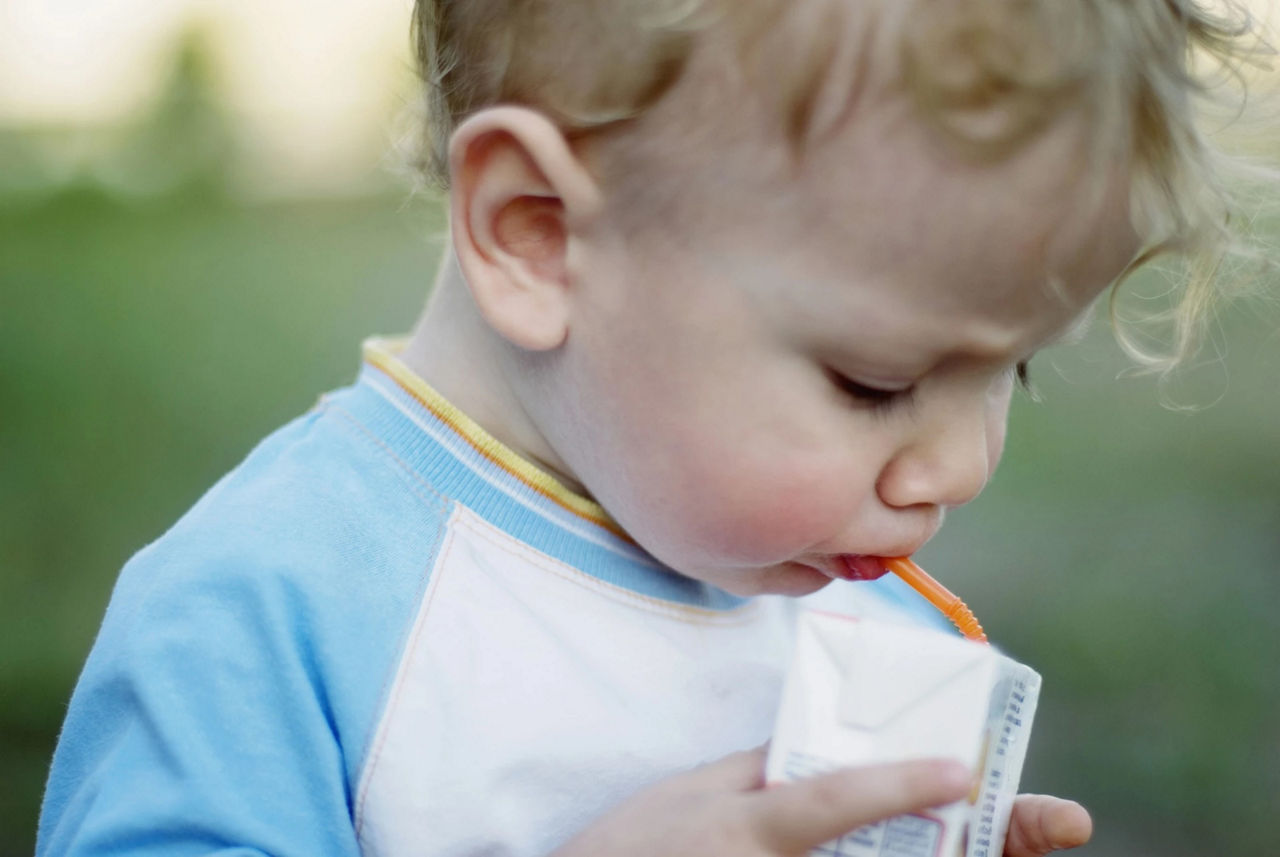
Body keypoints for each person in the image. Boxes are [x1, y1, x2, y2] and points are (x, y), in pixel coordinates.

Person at [37, 1, 1276, 855]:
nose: (958, 467)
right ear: (536, 233)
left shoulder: (864, 626)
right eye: (872, 380)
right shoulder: (270, 614)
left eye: (1013, 373)